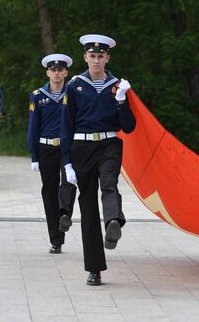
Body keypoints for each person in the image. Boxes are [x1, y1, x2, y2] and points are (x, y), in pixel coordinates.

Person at [61, 34, 136, 286]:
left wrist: (122, 101)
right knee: (88, 208)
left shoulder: (118, 86)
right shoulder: (74, 86)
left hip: (109, 144)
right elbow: (65, 126)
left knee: (109, 183)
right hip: (81, 147)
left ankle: (114, 221)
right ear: (85, 58)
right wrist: (67, 163)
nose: (96, 60)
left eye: (100, 56)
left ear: (107, 58)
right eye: (92, 56)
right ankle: (94, 268)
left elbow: (129, 126)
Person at [28, 54, 78, 254]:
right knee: (49, 191)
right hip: (46, 148)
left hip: (69, 148)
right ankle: (56, 239)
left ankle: (64, 214)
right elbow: (33, 126)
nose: (57, 73)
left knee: (68, 182)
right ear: (47, 72)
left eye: (60, 69)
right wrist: (33, 155)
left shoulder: (73, 92)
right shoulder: (38, 95)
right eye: (53, 70)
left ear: (66, 72)